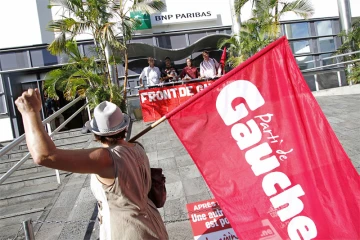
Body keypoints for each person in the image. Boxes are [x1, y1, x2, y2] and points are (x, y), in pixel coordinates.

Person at [15, 89, 169, 240]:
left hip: (127, 231)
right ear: (125, 127)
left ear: (96, 133)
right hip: (153, 224)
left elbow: (44, 155)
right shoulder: (137, 147)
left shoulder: (106, 158)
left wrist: (30, 113)